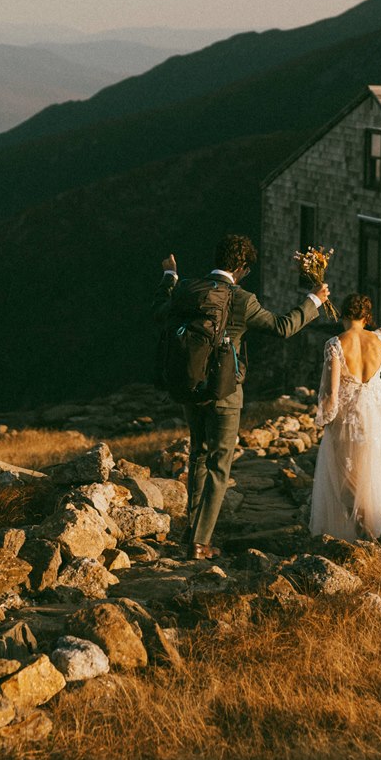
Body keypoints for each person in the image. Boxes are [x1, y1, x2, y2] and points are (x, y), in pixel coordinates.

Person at [156, 235, 327, 559]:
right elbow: (282, 326)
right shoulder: (242, 299)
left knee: (199, 456)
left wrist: (170, 277)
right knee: (220, 465)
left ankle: (191, 533)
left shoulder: (189, 289)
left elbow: (158, 312)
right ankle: (200, 543)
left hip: (190, 386)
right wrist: (314, 301)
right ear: (242, 268)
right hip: (225, 393)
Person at [311, 256, 381, 541]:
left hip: (349, 415)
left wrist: (324, 419)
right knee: (373, 470)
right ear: (367, 317)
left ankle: (362, 529)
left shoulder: (335, 344)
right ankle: (377, 527)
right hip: (377, 411)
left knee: (346, 475)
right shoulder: (380, 338)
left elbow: (330, 392)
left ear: (342, 314)